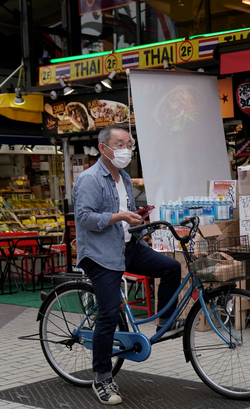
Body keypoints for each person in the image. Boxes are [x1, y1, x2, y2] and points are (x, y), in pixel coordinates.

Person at [73, 125, 183, 405]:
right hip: (100, 254)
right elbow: (85, 218)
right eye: (120, 144)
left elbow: (126, 218)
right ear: (103, 148)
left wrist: (137, 219)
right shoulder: (89, 179)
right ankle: (102, 377)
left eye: (129, 144)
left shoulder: (123, 177)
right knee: (109, 313)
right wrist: (118, 216)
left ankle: (163, 320)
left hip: (129, 247)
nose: (126, 150)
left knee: (171, 268)